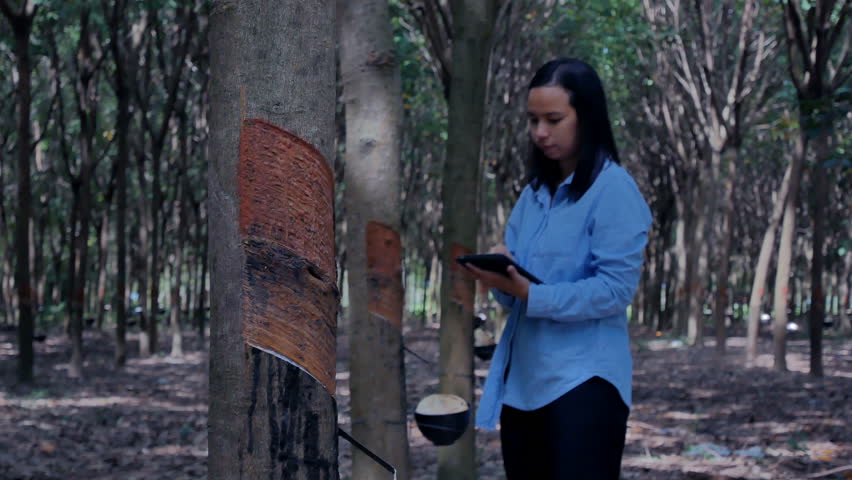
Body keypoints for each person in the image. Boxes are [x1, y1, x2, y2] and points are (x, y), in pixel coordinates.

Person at [463, 58, 652, 479]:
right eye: (532, 120)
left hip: (585, 383)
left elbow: (615, 290)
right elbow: (513, 295)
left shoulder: (614, 190)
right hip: (525, 383)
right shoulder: (534, 195)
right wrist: (501, 276)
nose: (540, 133)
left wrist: (533, 294)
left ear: (587, 117)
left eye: (553, 119)